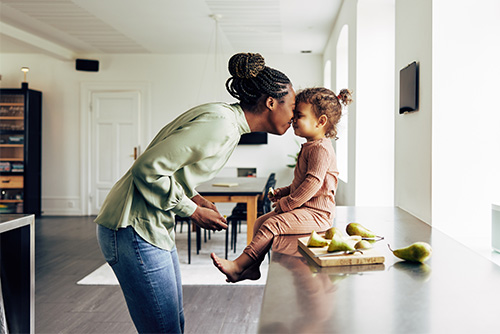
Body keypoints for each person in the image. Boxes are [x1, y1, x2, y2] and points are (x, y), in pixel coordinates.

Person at [95, 52, 295, 334]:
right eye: (294, 107)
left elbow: (173, 170)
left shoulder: (226, 121)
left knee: (173, 324)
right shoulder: (221, 124)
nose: (295, 116)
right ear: (271, 103)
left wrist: (196, 198)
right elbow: (147, 169)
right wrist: (192, 211)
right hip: (132, 227)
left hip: (147, 227)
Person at [211, 87, 353, 283]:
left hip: (318, 215)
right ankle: (252, 268)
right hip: (305, 208)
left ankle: (238, 266)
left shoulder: (321, 149)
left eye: (299, 116)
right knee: (260, 222)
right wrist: (283, 192)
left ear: (320, 122)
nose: (293, 119)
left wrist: (288, 203)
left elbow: (313, 183)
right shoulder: (311, 146)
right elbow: (303, 182)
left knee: (272, 225)